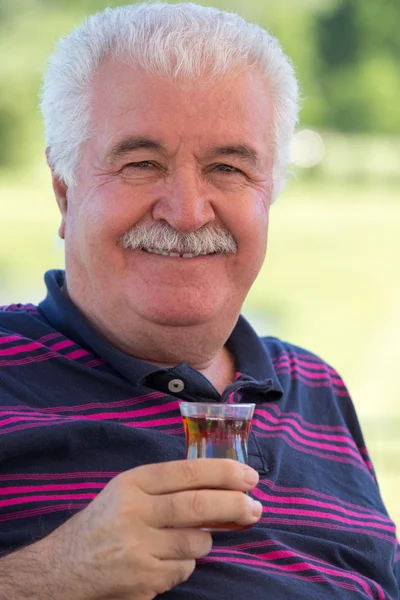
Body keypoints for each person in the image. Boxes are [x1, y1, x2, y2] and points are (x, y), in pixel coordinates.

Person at [0, 2, 398, 598]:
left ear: (270, 195)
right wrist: (50, 575)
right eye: (140, 164)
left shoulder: (318, 388)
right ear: (65, 193)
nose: (186, 213)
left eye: (228, 169)